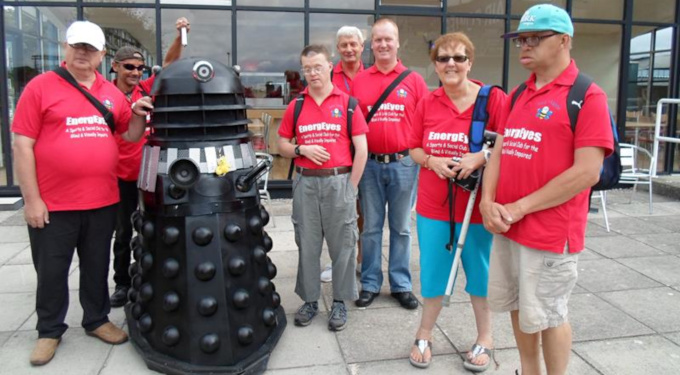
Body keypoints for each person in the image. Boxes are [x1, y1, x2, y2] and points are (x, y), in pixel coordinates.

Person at [480, 5, 613, 375]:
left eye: (535, 38)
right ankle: (529, 370)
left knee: (550, 314)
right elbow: (500, 151)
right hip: (509, 224)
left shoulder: (588, 95)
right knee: (520, 307)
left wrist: (519, 207)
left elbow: (587, 172)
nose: (525, 45)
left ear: (564, 41)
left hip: (551, 231)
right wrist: (488, 203)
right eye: (521, 39)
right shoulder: (520, 92)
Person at [12, 21, 151, 366]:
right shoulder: (41, 87)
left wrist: (136, 114)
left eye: (90, 49)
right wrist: (32, 199)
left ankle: (97, 320)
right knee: (52, 270)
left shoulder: (111, 92)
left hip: (102, 199)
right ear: (65, 48)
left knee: (96, 265)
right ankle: (49, 330)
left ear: (103, 55)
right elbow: (22, 146)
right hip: (54, 202)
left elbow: (131, 135)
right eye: (77, 47)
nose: (82, 54)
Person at [407, 32, 507, 372]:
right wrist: (432, 161)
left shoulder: (492, 100)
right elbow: (414, 148)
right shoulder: (427, 101)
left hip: (477, 207)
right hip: (434, 207)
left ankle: (486, 338)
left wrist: (480, 157)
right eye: (444, 58)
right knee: (434, 272)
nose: (451, 64)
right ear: (435, 65)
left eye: (459, 58)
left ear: (470, 62)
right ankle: (424, 333)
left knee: (480, 273)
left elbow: (508, 144)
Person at [277, 45, 368, 331]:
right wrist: (300, 148)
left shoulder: (348, 103)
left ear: (330, 66)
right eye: (307, 68)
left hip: (339, 181)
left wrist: (351, 187)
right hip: (306, 183)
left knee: (343, 245)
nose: (312, 73)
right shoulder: (297, 105)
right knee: (307, 242)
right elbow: (281, 145)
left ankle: (340, 301)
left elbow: (361, 149)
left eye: (317, 66)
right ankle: (310, 300)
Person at [109, 17, 190, 308]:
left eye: (139, 67)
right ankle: (121, 283)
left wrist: (180, 36)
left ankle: (153, 275)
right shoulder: (107, 96)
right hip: (120, 176)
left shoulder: (145, 89)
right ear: (115, 66)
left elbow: (168, 64)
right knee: (123, 232)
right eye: (128, 66)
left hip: (152, 172)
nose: (135, 72)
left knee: (156, 227)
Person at [350, 18, 428, 310]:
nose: (383, 44)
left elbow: (425, 123)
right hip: (369, 165)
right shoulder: (360, 80)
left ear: (397, 43)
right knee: (370, 228)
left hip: (404, 164)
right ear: (371, 45)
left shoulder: (414, 80)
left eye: (388, 39)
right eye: (378, 39)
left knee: (401, 228)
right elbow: (352, 125)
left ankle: (400, 284)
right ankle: (369, 283)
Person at [321, 25, 366, 283]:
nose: (349, 49)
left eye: (353, 44)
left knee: (362, 212)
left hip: (363, 153)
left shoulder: (371, 75)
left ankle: (360, 261)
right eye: (344, 45)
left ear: (361, 47)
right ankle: (336, 261)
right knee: (334, 213)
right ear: (338, 49)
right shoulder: (329, 75)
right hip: (335, 155)